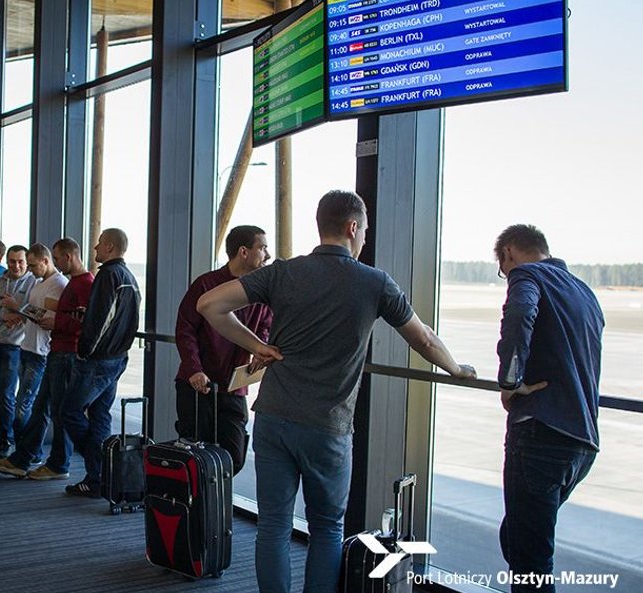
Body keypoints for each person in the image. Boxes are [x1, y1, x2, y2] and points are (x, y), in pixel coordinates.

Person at [197, 190, 475, 593]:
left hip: (274, 417)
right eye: (365, 232)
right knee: (327, 528)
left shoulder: (283, 273)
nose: (365, 241)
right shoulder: (375, 282)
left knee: (273, 526)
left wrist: (259, 346)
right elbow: (425, 339)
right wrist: (456, 369)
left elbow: (209, 305)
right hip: (327, 427)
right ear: (352, 228)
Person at [493, 224, 604, 593]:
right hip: (581, 442)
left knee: (531, 564)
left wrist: (510, 383)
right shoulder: (583, 291)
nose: (506, 276)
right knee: (519, 539)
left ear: (509, 253)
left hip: (541, 435)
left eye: (502, 268)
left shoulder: (527, 275)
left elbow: (521, 313)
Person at [0, 237, 94, 480]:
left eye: (33, 265)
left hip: (56, 353)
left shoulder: (70, 283)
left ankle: (53, 462)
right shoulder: (51, 282)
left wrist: (25, 311)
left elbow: (73, 320)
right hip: (49, 350)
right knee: (41, 408)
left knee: (47, 409)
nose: (29, 270)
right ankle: (25, 457)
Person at [175, 225, 272, 475]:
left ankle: (212, 506)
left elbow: (265, 327)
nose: (268, 255)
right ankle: (196, 512)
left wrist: (258, 352)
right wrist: (194, 369)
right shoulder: (206, 284)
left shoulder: (261, 291)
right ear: (243, 252)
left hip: (235, 386)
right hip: (197, 384)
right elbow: (185, 329)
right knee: (195, 456)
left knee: (234, 457)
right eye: (262, 248)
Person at [60, 228, 140, 497]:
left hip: (97, 359)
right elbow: (123, 319)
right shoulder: (130, 277)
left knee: (70, 411)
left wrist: (84, 350)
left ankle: (101, 466)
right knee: (99, 415)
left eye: (98, 244)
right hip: (117, 358)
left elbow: (101, 320)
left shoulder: (108, 274)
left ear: (109, 247)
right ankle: (99, 478)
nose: (94, 249)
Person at [9, 243, 68, 448]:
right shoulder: (38, 281)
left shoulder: (57, 284)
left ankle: (25, 451)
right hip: (27, 348)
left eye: (33, 265)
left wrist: (19, 309)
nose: (30, 270)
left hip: (40, 352)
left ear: (46, 261)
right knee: (25, 402)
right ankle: (24, 451)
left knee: (25, 405)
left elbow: (48, 319)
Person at [0, 244, 36, 458]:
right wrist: (1, 317)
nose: (16, 265)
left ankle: (10, 440)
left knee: (7, 395)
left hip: (15, 347)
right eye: (12, 261)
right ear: (6, 261)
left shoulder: (34, 283)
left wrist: (16, 309)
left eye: (20, 261)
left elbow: (36, 312)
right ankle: (0, 438)